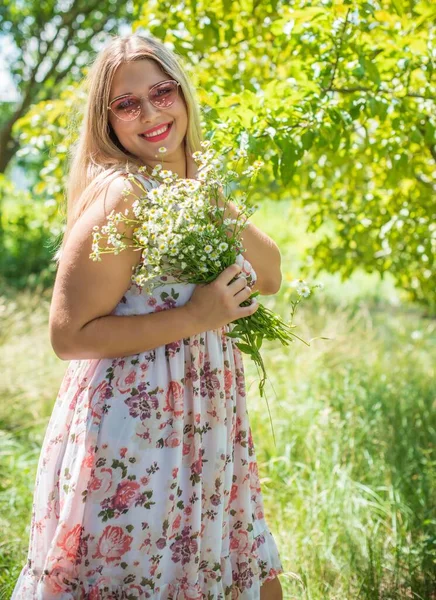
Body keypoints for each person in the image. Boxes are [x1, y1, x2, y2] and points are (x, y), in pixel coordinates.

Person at [11, 33, 284, 600]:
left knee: (241, 577)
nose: (152, 113)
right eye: (127, 103)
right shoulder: (122, 196)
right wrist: (198, 315)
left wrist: (200, 189)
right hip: (136, 434)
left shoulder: (190, 188)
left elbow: (272, 273)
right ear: (107, 121)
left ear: (183, 95)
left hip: (203, 421)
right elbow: (67, 337)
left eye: (162, 92)